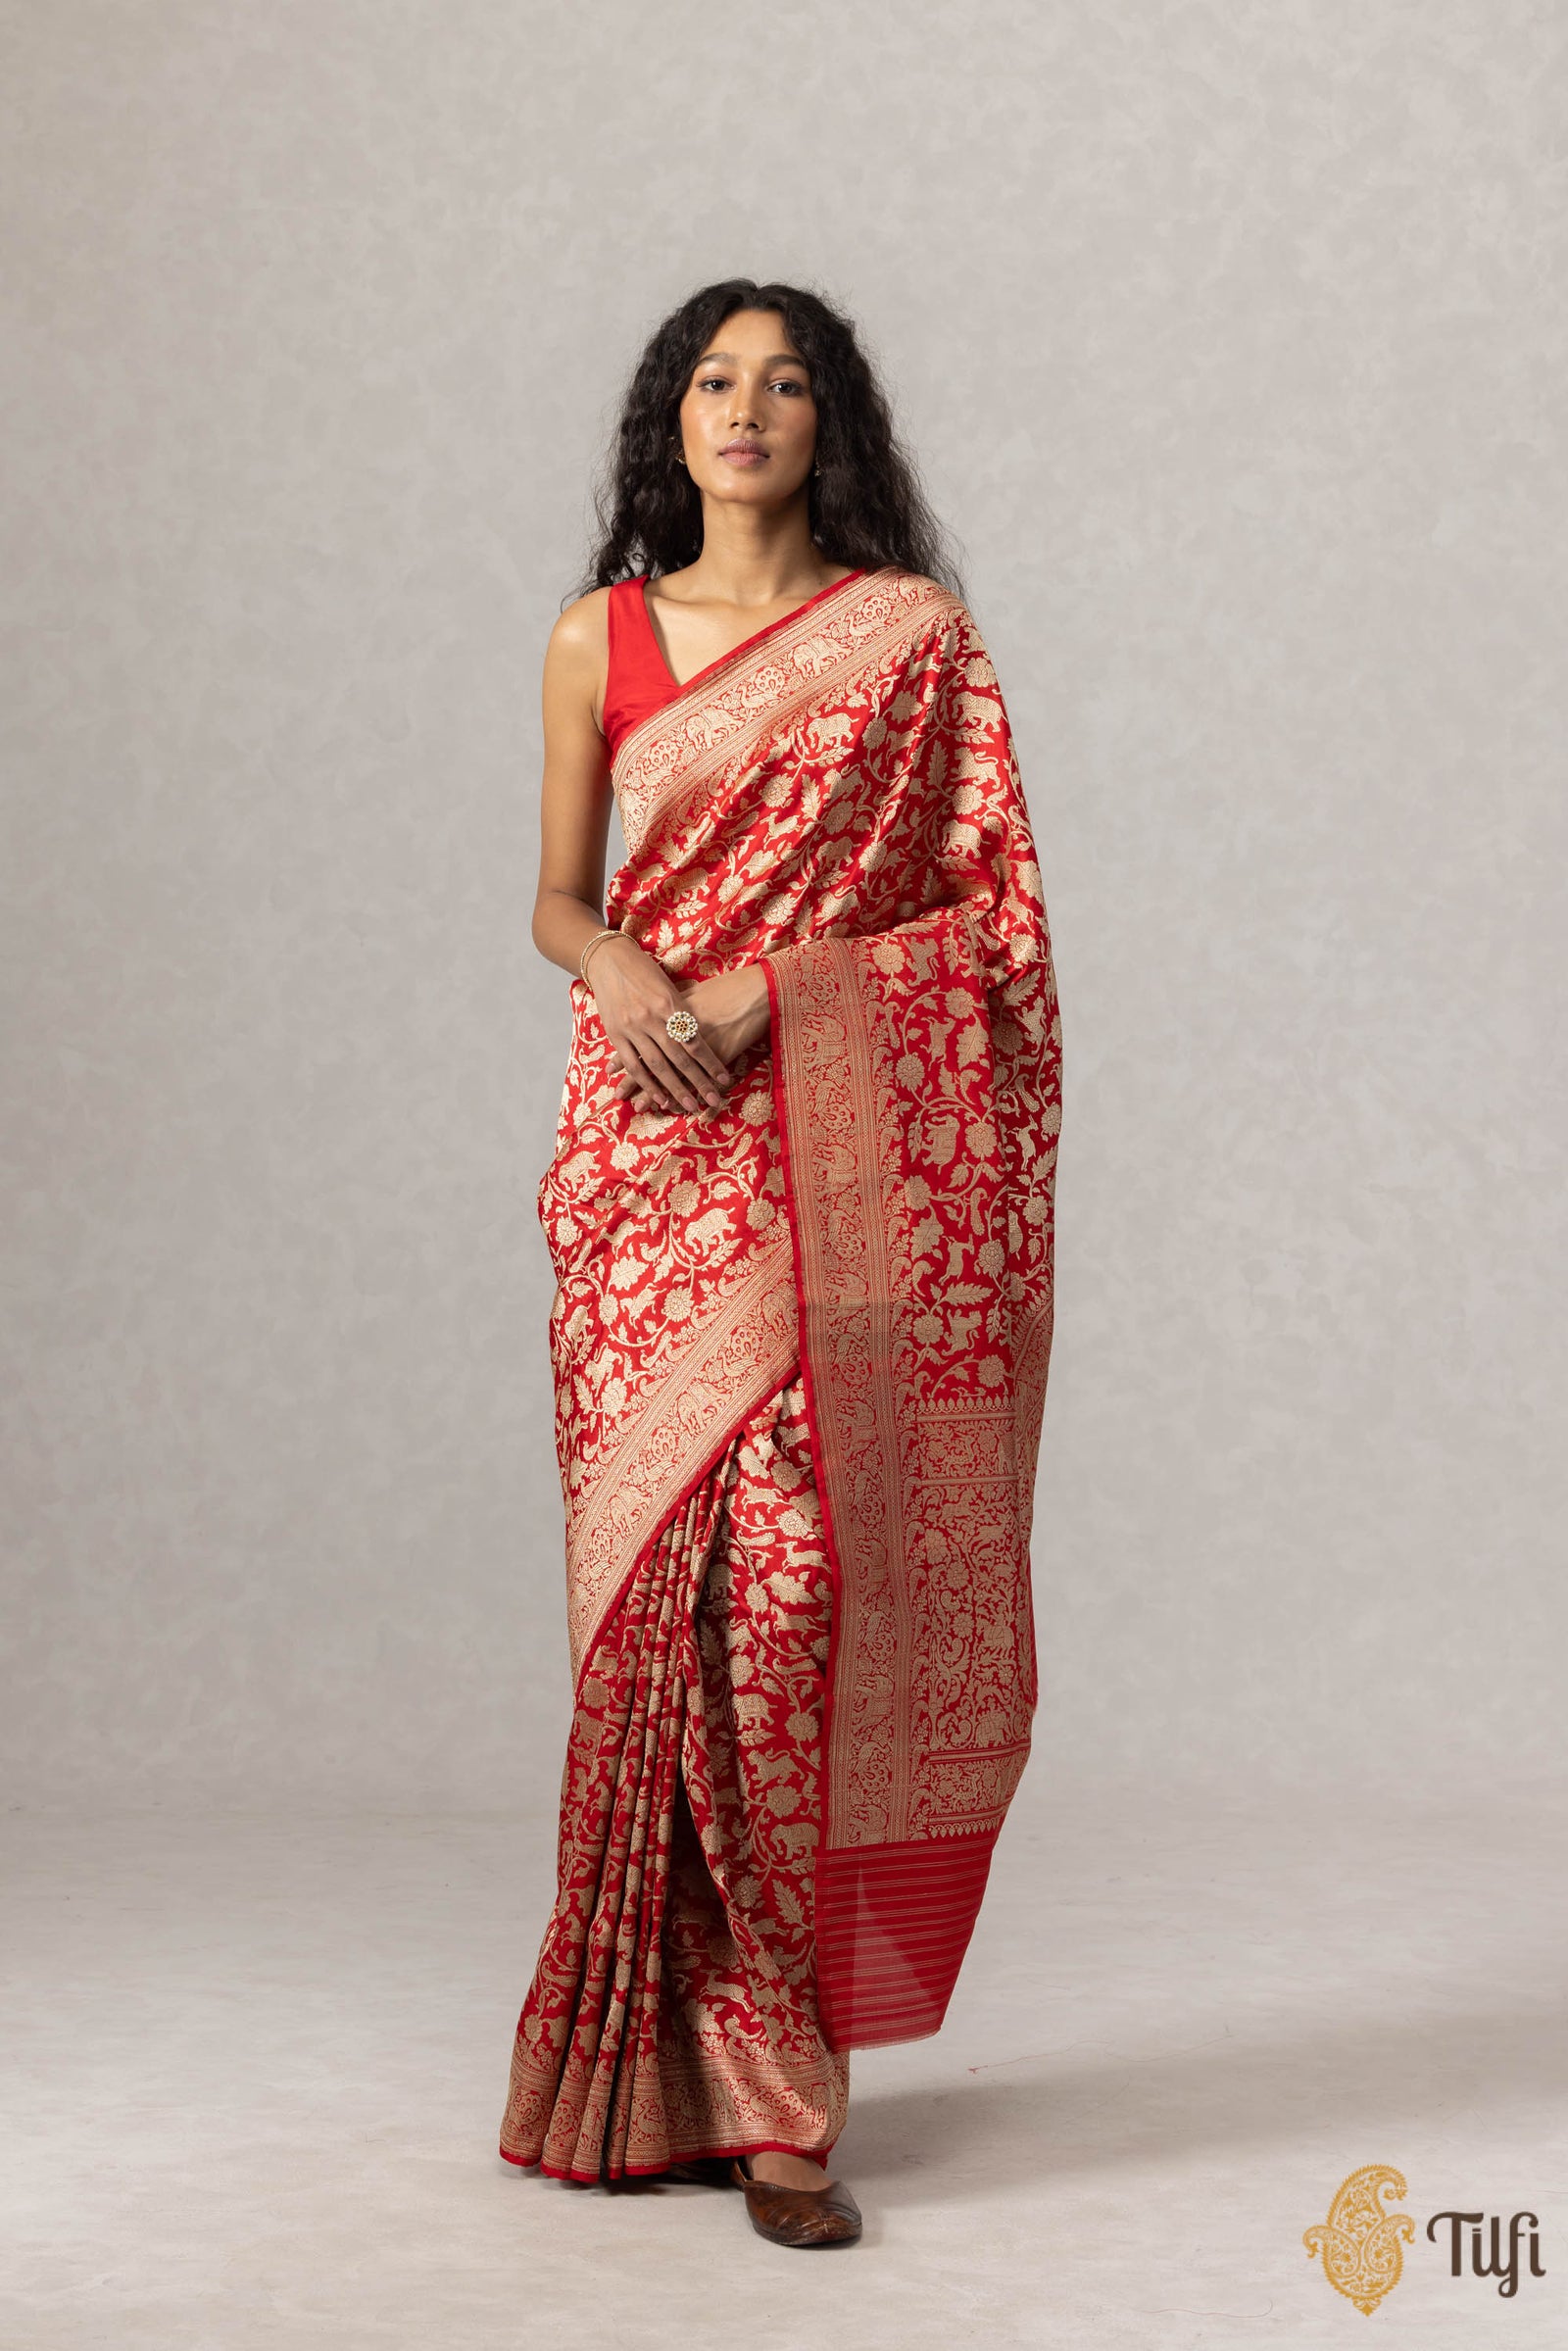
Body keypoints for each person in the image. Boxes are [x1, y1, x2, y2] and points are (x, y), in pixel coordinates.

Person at [498, 277, 1062, 2249]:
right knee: (660, 1616)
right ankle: (656, 2074)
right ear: (673, 419)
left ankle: (781, 2078)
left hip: (828, 1157)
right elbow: (555, 896)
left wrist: (780, 990)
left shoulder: (910, 644)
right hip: (640, 1157)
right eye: (713, 380)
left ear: (833, 426)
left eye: (786, 383)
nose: (745, 409)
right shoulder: (598, 634)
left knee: (797, 1603)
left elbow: (990, 930)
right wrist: (625, 966)